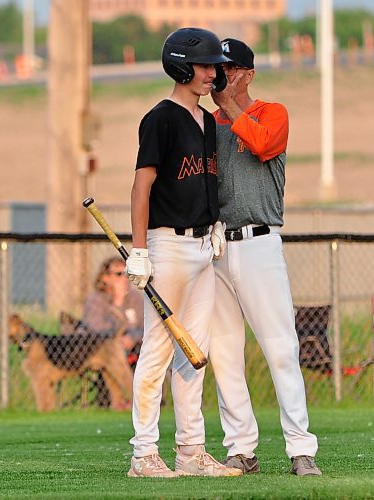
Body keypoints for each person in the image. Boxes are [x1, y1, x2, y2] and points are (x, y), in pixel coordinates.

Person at [124, 27, 241, 479]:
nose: (213, 73)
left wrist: (214, 223)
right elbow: (141, 186)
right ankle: (144, 454)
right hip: (167, 246)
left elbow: (205, 180)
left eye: (215, 66)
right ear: (181, 66)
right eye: (206, 65)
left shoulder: (207, 121)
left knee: (195, 352)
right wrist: (139, 250)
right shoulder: (161, 118)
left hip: (200, 247)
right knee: (157, 350)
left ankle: (191, 452)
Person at [209, 38, 322, 476]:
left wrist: (231, 105)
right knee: (225, 352)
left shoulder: (271, 111)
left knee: (279, 349)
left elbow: (261, 145)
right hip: (217, 244)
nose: (224, 75)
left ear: (250, 74)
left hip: (259, 242)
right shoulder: (207, 122)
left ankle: (300, 449)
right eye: (219, 68)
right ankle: (241, 448)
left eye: (232, 68)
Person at [82, 256, 144, 407]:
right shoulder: (96, 299)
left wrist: (132, 337)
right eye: (118, 274)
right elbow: (95, 327)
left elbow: (147, 327)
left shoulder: (136, 298)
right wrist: (117, 303)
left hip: (133, 347)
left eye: (126, 274)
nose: (124, 279)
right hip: (103, 348)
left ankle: (142, 400)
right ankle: (123, 400)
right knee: (112, 353)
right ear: (105, 277)